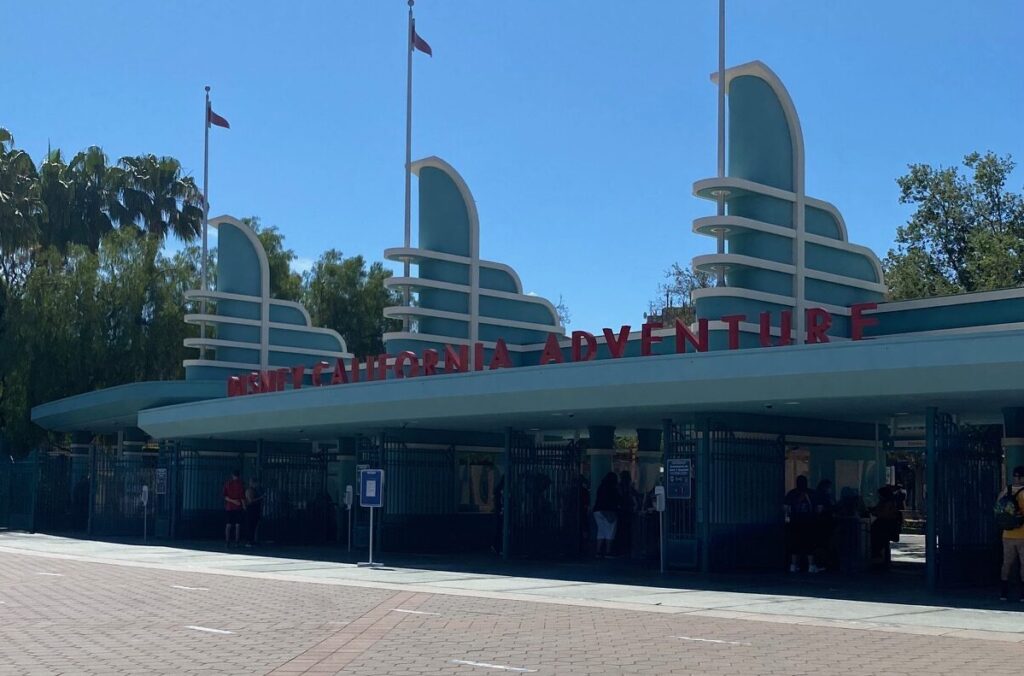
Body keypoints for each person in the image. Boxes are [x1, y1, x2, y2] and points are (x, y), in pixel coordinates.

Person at [998, 466, 1024, 601]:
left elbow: (997, 508)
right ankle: (1022, 594)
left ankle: (1003, 592)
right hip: (1022, 534)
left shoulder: (1005, 491)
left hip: (1007, 534)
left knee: (1006, 563)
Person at [784, 475, 819, 573]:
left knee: (795, 544)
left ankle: (794, 565)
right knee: (810, 544)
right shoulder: (812, 493)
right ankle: (811, 565)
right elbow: (818, 508)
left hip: (795, 522)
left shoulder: (792, 493)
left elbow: (786, 508)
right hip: (809, 522)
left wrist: (788, 518)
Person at [870, 485, 902, 570]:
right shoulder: (887, 502)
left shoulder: (888, 503)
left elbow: (885, 514)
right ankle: (883, 563)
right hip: (884, 525)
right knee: (884, 545)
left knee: (880, 544)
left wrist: (876, 512)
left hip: (884, 526)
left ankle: (880, 564)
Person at [593, 472, 619, 558]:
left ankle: (598, 551)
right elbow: (615, 500)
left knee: (601, 531)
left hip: (597, 510)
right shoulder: (613, 488)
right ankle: (608, 552)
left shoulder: (601, 486)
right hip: (609, 511)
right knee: (610, 531)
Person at [614, 471, 639, 557]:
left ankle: (619, 549)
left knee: (620, 530)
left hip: (620, 510)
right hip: (629, 510)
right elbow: (635, 496)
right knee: (628, 530)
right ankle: (627, 548)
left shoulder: (618, 487)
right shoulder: (630, 488)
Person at [813, 479, 836, 571]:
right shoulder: (822, 497)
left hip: (825, 523)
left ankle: (824, 562)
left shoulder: (825, 496)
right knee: (824, 544)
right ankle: (823, 563)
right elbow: (819, 510)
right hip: (824, 523)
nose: (830, 489)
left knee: (825, 544)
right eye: (829, 487)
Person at [223, 469, 245, 547]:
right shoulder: (241, 484)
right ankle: (236, 542)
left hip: (229, 507)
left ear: (232, 475)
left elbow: (225, 496)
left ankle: (227, 541)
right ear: (239, 476)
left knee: (228, 525)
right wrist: (244, 506)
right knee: (237, 525)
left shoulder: (228, 484)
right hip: (238, 507)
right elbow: (242, 497)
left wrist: (232, 501)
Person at [244, 477, 264, 547]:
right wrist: (260, 498)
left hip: (254, 510)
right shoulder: (250, 490)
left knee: (253, 525)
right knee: (250, 525)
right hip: (251, 510)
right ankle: (249, 541)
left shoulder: (254, 490)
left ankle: (252, 540)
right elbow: (250, 501)